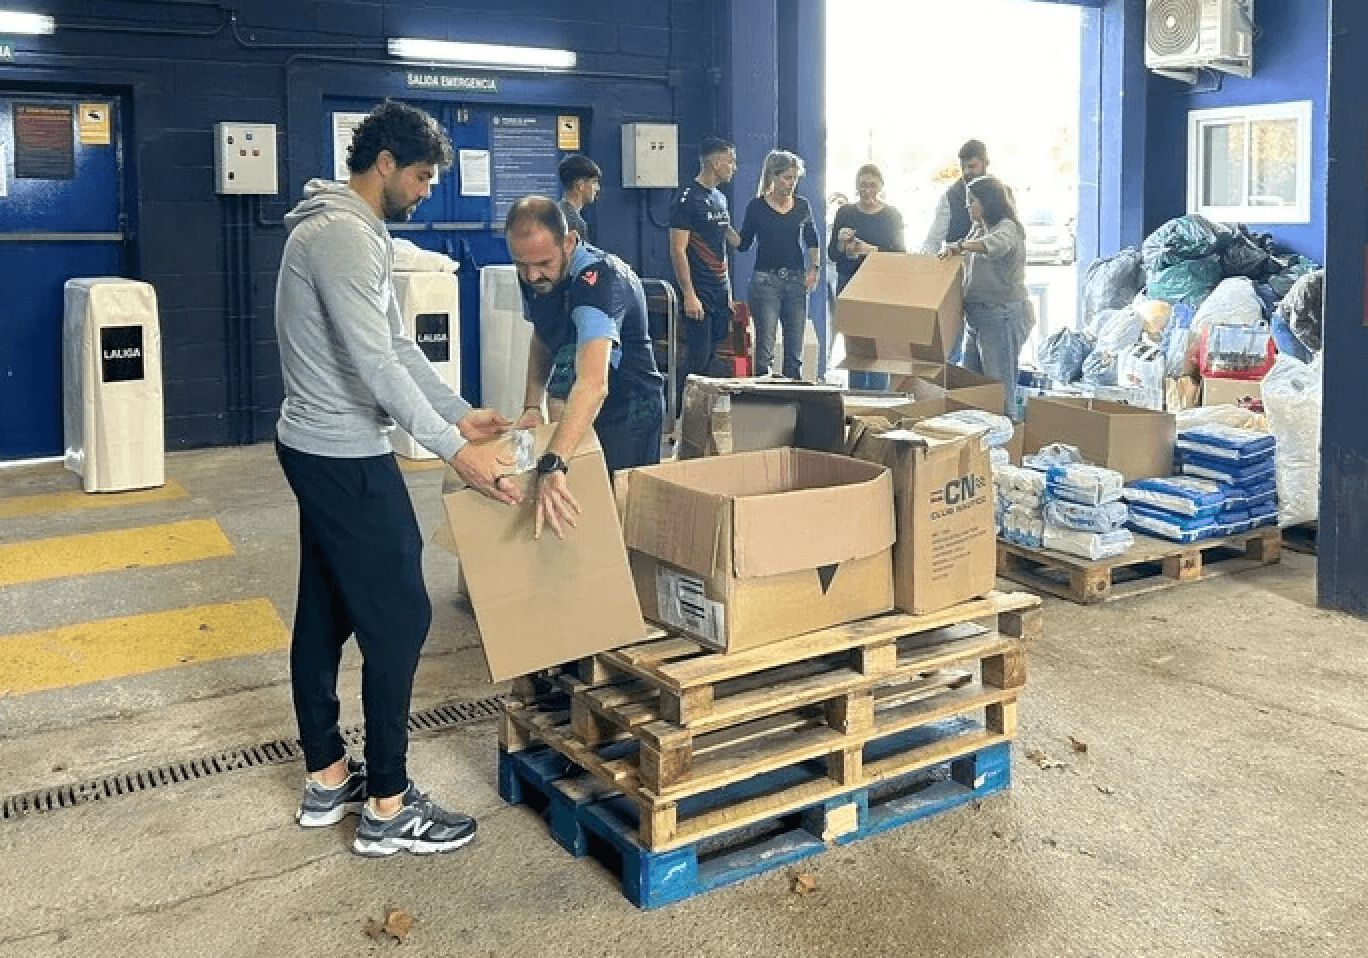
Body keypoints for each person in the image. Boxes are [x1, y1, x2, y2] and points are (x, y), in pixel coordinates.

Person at [273, 100, 519, 857]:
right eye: (419, 175)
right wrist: (453, 449)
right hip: (342, 452)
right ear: (384, 164)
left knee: (328, 606)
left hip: (323, 445)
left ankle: (325, 778)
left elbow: (397, 345)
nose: (423, 190)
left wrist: (458, 412)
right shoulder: (343, 236)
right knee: (403, 619)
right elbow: (373, 363)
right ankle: (386, 805)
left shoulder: (354, 231)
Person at [507, 196, 665, 533]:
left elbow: (594, 384)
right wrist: (531, 405)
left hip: (628, 408)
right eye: (521, 264)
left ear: (569, 242)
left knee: (623, 518)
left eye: (543, 263)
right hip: (580, 396)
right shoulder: (533, 271)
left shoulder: (600, 283)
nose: (532, 275)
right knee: (578, 512)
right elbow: (542, 335)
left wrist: (554, 462)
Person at [939, 175, 1034, 419]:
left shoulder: (1007, 228)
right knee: (975, 385)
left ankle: (1009, 433)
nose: (968, 206)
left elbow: (995, 246)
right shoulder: (979, 227)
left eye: (973, 201)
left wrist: (961, 246)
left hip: (999, 314)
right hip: (976, 316)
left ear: (988, 202)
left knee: (998, 385)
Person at [736, 150, 821, 379]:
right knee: (765, 344)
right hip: (766, 280)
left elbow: (812, 239)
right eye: (786, 178)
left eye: (794, 178)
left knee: (795, 346)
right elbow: (743, 243)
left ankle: (793, 393)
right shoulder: (757, 207)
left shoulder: (802, 206)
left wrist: (814, 268)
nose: (790, 184)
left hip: (795, 279)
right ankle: (764, 391)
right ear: (773, 177)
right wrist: (724, 229)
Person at [670, 137, 741, 397]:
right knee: (697, 358)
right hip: (698, 290)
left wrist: (728, 293)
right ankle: (677, 415)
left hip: (719, 289)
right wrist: (689, 294)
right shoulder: (688, 198)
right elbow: (678, 248)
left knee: (713, 356)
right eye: (730, 161)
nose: (734, 167)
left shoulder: (720, 198)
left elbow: (724, 243)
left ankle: (703, 415)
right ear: (714, 162)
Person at [828, 163, 906, 389]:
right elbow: (833, 254)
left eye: (872, 185)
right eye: (863, 185)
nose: (867, 190)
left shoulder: (891, 216)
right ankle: (856, 395)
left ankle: (879, 397)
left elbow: (900, 254)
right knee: (855, 345)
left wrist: (870, 251)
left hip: (879, 286)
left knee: (879, 346)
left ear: (881, 186)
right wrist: (844, 244)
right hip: (850, 283)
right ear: (856, 186)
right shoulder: (845, 213)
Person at [921, 139, 991, 254]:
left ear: (986, 163)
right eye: (963, 167)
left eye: (972, 166)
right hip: (959, 267)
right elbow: (933, 242)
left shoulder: (1001, 194)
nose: (967, 172)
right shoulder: (950, 197)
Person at [557, 153, 601, 244]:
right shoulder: (574, 223)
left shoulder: (556, 212)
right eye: (594, 182)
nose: (597, 188)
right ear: (580, 185)